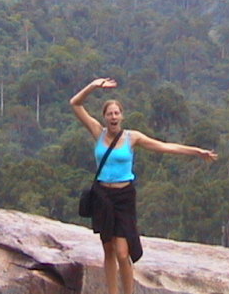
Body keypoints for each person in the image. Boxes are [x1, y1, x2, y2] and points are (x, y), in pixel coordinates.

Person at [70, 78, 218, 294]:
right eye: (109, 114)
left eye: (116, 113)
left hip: (124, 196)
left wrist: (196, 151)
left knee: (123, 252)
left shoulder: (132, 138)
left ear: (122, 116)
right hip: (102, 194)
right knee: (108, 249)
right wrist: (94, 85)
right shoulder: (97, 132)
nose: (113, 117)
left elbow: (164, 147)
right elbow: (75, 103)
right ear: (104, 117)